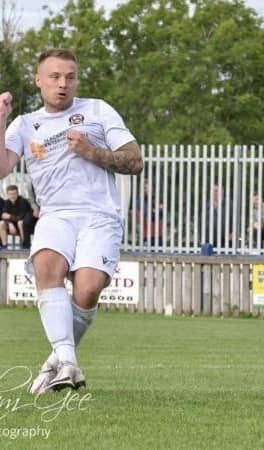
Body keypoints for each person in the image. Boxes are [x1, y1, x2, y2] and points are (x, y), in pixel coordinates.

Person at [0, 48, 143, 393]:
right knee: (48, 265)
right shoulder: (24, 125)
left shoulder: (97, 110)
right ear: (39, 81)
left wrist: (93, 152)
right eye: (54, 76)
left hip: (99, 215)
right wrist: (1, 119)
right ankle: (68, 363)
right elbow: (2, 168)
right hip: (54, 214)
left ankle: (59, 359)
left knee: (88, 288)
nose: (63, 84)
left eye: (70, 77)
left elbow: (135, 161)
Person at [0, 184, 35, 249]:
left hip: (25, 226)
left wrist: (10, 216)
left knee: (20, 222)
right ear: (7, 194)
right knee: (1, 223)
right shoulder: (7, 202)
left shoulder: (23, 201)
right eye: (10, 194)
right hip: (12, 226)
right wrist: (10, 223)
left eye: (14, 194)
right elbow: (3, 215)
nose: (12, 196)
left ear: (17, 193)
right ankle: (4, 246)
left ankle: (25, 245)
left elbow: (21, 217)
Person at [135, 180, 163, 247]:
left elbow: (160, 215)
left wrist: (159, 210)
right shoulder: (139, 201)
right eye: (145, 188)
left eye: (148, 188)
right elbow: (142, 216)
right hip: (146, 233)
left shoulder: (154, 199)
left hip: (157, 232)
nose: (147, 190)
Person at [206, 184, 233, 249]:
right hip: (210, 238)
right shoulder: (207, 205)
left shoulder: (229, 204)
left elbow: (234, 219)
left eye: (216, 191)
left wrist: (233, 232)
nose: (214, 193)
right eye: (213, 191)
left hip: (226, 238)